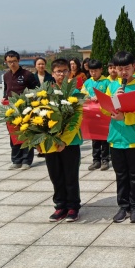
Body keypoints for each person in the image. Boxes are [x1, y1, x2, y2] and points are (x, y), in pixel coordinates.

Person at [105, 51, 135, 223]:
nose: (124, 72)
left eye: (127, 68)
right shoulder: (112, 86)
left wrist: (125, 117)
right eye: (120, 68)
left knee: (134, 174)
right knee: (120, 174)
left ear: (134, 67)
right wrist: (114, 100)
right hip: (116, 137)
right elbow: (105, 109)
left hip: (133, 138)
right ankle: (122, 206)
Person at [42, 58, 83, 222]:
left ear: (69, 73)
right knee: (55, 175)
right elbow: (40, 117)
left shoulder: (75, 93)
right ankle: (60, 206)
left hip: (70, 142)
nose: (62, 74)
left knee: (70, 175)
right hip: (51, 142)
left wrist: (64, 141)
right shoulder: (46, 93)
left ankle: (73, 207)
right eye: (58, 71)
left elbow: (76, 119)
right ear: (53, 73)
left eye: (65, 71)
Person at [2, 50, 38, 170]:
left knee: (26, 135)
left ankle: (26, 161)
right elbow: (6, 90)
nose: (12, 64)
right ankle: (16, 160)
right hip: (12, 111)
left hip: (25, 110)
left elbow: (36, 91)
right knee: (14, 135)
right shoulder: (6, 76)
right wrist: (4, 98)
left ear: (18, 61)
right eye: (9, 62)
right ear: (6, 62)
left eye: (14, 61)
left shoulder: (27, 75)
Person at [81, 59, 111, 171]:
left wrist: (100, 98)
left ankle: (105, 160)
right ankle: (96, 160)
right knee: (95, 139)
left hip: (104, 116)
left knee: (105, 139)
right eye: (91, 71)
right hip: (92, 116)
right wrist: (89, 98)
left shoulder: (107, 82)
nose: (93, 73)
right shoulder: (87, 83)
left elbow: (110, 96)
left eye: (95, 71)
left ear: (101, 70)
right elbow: (82, 96)